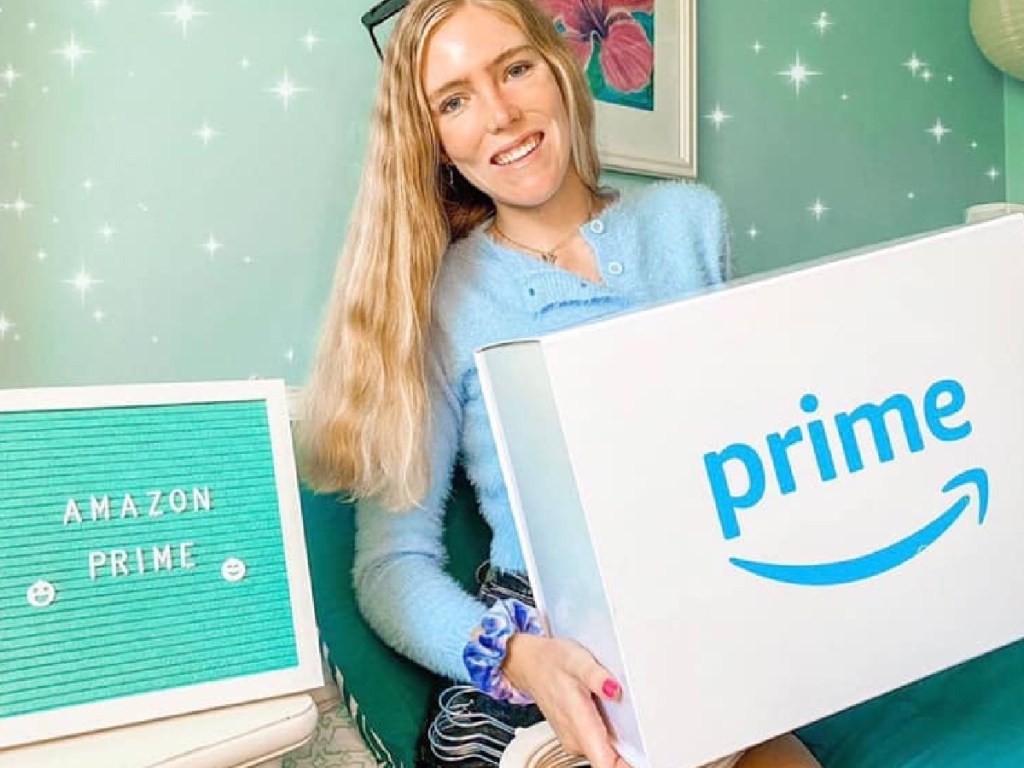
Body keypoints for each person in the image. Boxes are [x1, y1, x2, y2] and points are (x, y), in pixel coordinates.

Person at [300, 1, 822, 766]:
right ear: (434, 139)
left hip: (704, 606)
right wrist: (518, 659)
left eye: (513, 68)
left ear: (559, 69)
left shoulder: (689, 222)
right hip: (546, 655)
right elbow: (389, 568)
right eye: (455, 100)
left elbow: (750, 447)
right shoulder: (442, 297)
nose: (502, 114)